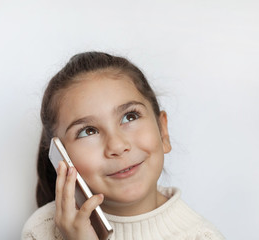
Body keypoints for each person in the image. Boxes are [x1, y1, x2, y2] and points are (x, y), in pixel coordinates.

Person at [22, 51, 225, 240]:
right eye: (88, 131)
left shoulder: (202, 236)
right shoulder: (41, 230)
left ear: (163, 132)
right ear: (60, 157)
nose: (117, 146)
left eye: (130, 117)